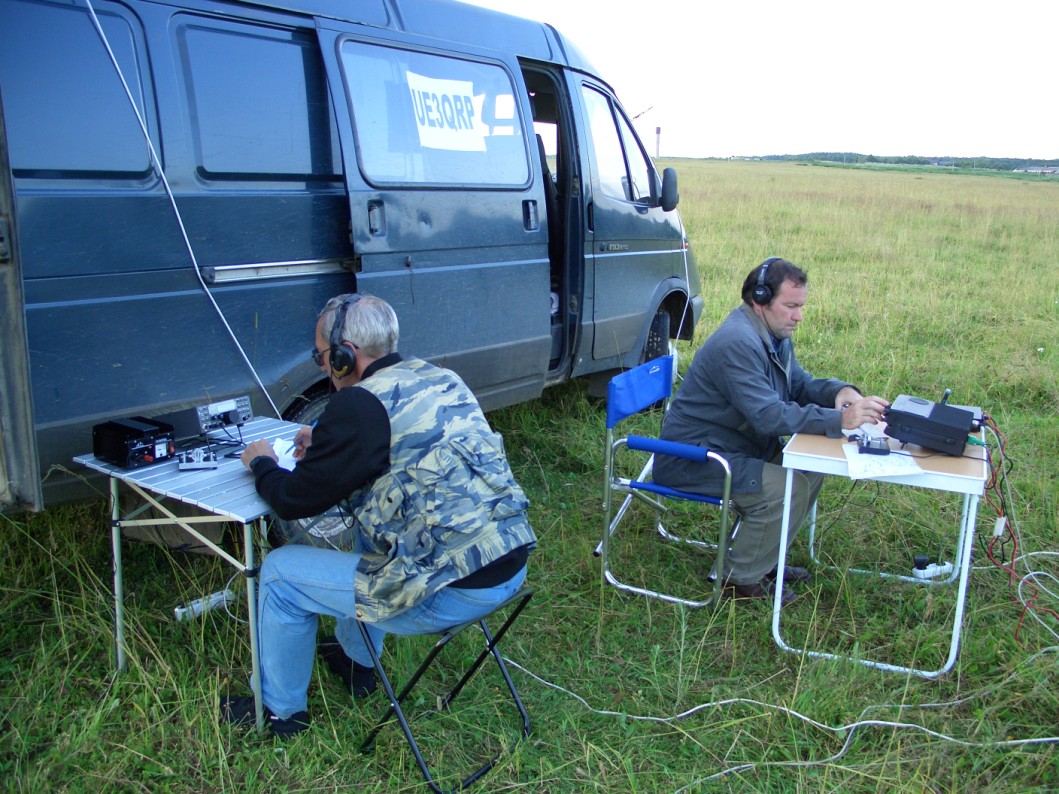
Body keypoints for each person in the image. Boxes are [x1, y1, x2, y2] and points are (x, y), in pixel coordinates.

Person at [220, 293, 537, 737]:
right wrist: (327, 442)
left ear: (345, 355)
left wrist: (262, 463)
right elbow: (392, 446)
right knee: (371, 529)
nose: (323, 367)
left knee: (279, 574)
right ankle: (356, 664)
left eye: (321, 357)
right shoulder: (441, 377)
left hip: (450, 591)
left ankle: (278, 713)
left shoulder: (357, 404)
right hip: (508, 567)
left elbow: (292, 499)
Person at [653, 258, 888, 605]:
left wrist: (839, 392)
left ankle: (765, 559)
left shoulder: (773, 336)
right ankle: (738, 579)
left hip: (736, 446)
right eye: (790, 306)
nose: (798, 316)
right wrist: (840, 421)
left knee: (812, 466)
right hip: (694, 458)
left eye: (800, 306)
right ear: (760, 299)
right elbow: (767, 416)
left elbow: (799, 384)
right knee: (786, 488)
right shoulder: (736, 343)